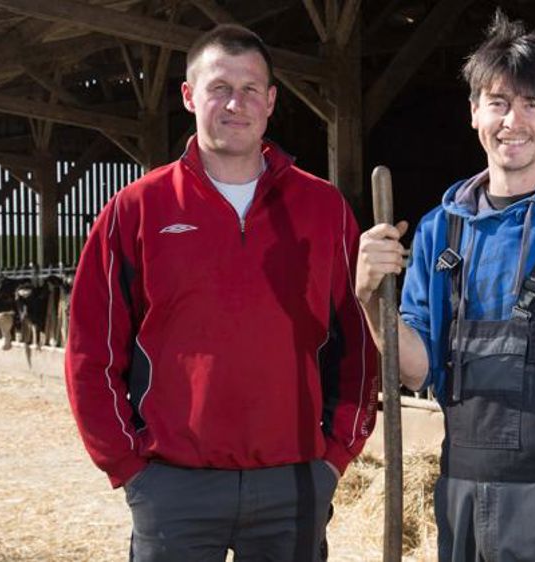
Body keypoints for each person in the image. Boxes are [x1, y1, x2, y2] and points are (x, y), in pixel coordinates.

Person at [65, 24, 378, 562]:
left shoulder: (323, 208)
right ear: (189, 96)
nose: (236, 103)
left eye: (252, 88)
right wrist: (128, 466)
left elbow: (359, 337)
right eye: (219, 87)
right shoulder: (136, 209)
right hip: (173, 487)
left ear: (272, 101)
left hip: (294, 484)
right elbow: (91, 350)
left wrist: (335, 454)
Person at [356, 11, 535, 562]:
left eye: (532, 102)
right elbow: (416, 368)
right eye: (497, 102)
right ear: (474, 113)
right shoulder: (437, 232)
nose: (512, 121)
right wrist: (374, 302)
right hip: (459, 496)